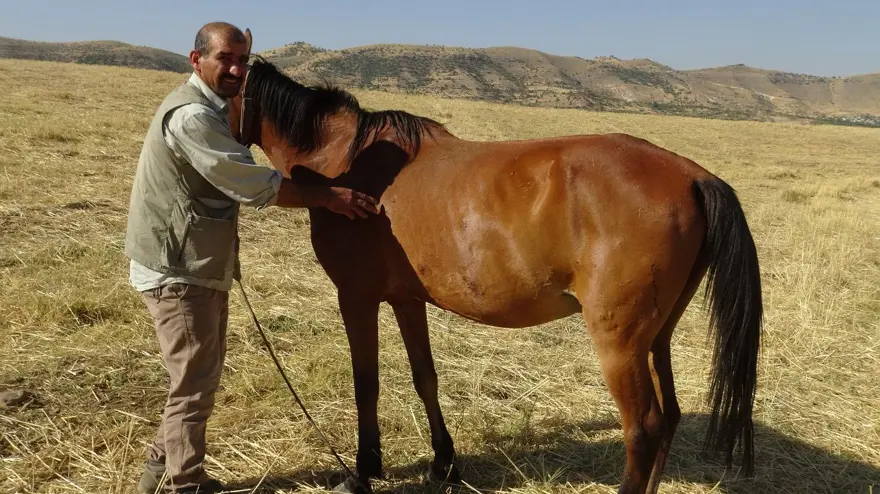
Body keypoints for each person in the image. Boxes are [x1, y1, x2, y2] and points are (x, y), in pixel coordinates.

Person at [124, 22, 378, 494]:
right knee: (194, 384)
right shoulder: (193, 117)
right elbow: (251, 183)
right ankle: (185, 484)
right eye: (225, 59)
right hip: (178, 269)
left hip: (194, 264)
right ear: (196, 59)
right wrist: (327, 197)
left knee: (196, 376)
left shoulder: (208, 107)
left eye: (242, 60)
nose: (237, 70)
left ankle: (159, 470)